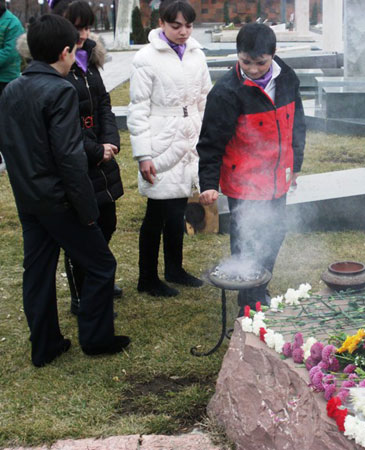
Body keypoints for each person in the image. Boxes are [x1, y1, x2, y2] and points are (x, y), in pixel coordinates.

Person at [0, 14, 129, 367]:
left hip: (29, 199)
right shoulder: (60, 90)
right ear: (64, 52)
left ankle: (45, 345)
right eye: (73, 51)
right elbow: (69, 156)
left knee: (38, 271)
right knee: (101, 264)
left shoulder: (12, 88)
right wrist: (87, 210)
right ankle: (96, 339)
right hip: (58, 200)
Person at [197, 23, 306, 316]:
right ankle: (249, 302)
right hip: (244, 180)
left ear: (273, 54)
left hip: (278, 176)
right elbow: (210, 142)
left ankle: (259, 286)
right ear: (238, 55)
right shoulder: (225, 92)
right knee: (247, 237)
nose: (254, 70)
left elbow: (297, 123)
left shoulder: (287, 78)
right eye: (246, 62)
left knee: (275, 232)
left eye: (261, 62)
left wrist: (296, 164)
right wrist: (208, 183)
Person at [128, 0, 211, 297]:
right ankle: (147, 277)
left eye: (188, 26)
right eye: (176, 26)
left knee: (178, 208)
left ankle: (174, 268)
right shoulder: (145, 58)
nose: (183, 32)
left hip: (190, 137)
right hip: (161, 139)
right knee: (157, 212)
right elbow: (138, 108)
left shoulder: (197, 55)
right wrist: (144, 154)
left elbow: (205, 98)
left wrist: (207, 137)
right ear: (161, 23)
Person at [50, 0, 124, 314]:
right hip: (78, 161)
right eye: (76, 27)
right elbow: (62, 125)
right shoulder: (54, 66)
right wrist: (96, 150)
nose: (83, 34)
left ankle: (97, 277)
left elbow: (104, 103)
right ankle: (82, 295)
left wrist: (110, 140)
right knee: (83, 233)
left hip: (100, 157)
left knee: (107, 222)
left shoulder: (88, 59)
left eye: (87, 27)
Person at [0, 0, 25, 170]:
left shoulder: (12, 23)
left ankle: (12, 155)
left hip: (6, 80)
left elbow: (9, 53)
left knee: (7, 122)